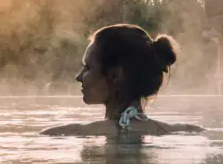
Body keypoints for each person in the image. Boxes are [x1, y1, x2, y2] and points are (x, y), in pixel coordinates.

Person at [39, 24, 202, 137]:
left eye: (87, 68)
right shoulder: (189, 131)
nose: (79, 77)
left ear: (114, 75)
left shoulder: (63, 134)